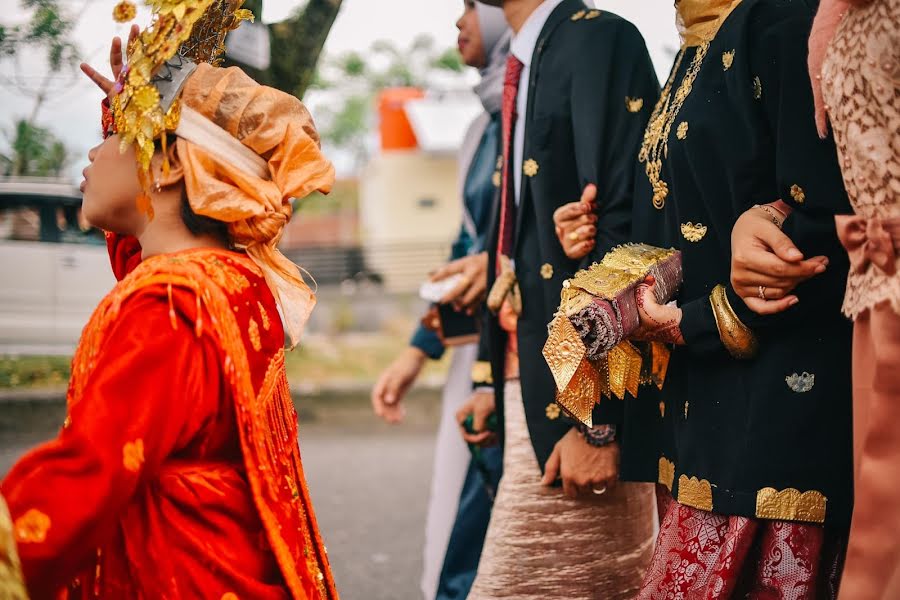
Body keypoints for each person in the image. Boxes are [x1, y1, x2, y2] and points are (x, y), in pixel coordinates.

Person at [0, 2, 338, 597]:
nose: (93, 154)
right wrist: (124, 113)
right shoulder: (234, 284)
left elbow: (87, 476)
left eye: (114, 139)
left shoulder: (171, 306)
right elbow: (150, 246)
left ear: (167, 165)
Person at [556, 0, 855, 596]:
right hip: (700, 426)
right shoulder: (698, 42)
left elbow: (831, 220)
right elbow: (698, 222)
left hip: (774, 435)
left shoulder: (783, 19)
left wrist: (705, 318)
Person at [458, 1, 660, 598]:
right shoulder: (528, 57)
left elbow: (632, 236)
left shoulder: (599, 42)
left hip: (582, 410)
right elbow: (523, 252)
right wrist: (498, 380)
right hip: (538, 393)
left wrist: (597, 424)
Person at [370, 3, 508, 599]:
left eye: (474, 6)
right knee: (458, 514)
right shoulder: (481, 127)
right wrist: (415, 351)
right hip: (473, 349)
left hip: (533, 352)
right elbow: (467, 242)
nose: (461, 20)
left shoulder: (543, 107)